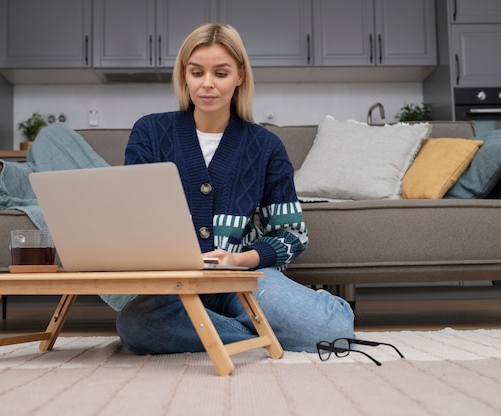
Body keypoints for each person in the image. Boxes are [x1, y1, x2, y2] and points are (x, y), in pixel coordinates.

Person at [116, 23, 354, 354]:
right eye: (197, 72)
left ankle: (209, 329)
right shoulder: (151, 132)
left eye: (221, 73)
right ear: (184, 75)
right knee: (135, 326)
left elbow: (291, 234)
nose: (207, 84)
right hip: (175, 286)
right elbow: (132, 216)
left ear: (240, 76)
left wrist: (239, 261)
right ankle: (257, 337)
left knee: (332, 328)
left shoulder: (266, 146)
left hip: (244, 279)